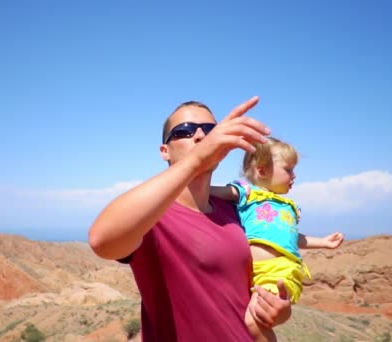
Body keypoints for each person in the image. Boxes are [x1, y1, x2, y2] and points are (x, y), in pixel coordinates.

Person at [88, 96, 292, 341]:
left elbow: (244, 294)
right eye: (184, 131)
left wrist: (276, 311)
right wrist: (197, 160)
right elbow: (102, 240)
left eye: (210, 130)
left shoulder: (233, 210)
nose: (200, 136)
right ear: (165, 151)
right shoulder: (152, 216)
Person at [210, 136, 345, 341]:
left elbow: (291, 238)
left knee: (253, 321)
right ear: (262, 171)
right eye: (288, 169)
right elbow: (215, 192)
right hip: (254, 274)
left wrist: (324, 243)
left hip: (279, 272)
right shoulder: (248, 193)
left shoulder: (287, 206)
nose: (294, 175)